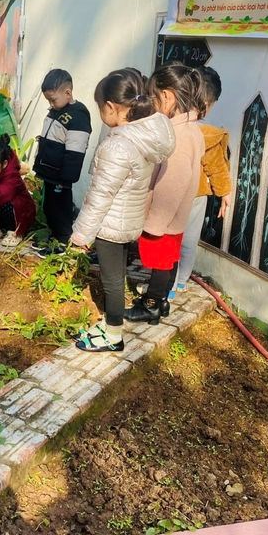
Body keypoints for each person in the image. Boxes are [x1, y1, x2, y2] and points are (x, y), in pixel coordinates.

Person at [69, 70, 175, 352]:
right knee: (116, 276)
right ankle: (111, 326)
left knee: (112, 281)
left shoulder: (117, 146)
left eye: (100, 107)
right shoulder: (142, 138)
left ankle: (113, 334)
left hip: (111, 224)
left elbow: (100, 196)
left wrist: (81, 235)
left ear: (111, 107)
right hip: (129, 220)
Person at [126, 62, 206, 325]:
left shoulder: (179, 135)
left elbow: (172, 183)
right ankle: (161, 302)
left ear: (167, 96)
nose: (152, 103)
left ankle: (151, 305)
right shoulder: (191, 128)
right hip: (175, 216)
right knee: (168, 260)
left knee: (160, 261)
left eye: (154, 97)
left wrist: (155, 222)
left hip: (165, 217)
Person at [173, 66, 231, 298]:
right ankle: (181, 282)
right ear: (208, 103)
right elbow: (216, 167)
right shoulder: (209, 133)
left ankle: (165, 282)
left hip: (171, 191)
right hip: (197, 194)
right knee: (189, 240)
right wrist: (225, 193)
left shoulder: (171, 125)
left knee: (169, 238)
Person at [32, 69, 93, 252]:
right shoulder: (56, 111)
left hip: (61, 175)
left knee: (60, 208)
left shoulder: (78, 115)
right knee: (49, 206)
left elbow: (75, 149)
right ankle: (55, 235)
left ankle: (63, 239)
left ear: (68, 92)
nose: (51, 104)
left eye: (53, 100)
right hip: (49, 171)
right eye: (48, 101)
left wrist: (67, 177)